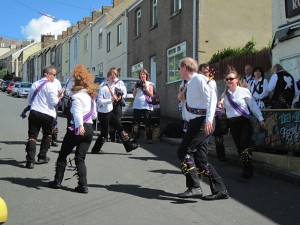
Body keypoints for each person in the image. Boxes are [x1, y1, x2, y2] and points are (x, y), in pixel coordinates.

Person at [176, 57, 229, 201]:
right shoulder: (189, 83)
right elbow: (195, 106)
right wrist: (183, 100)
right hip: (197, 122)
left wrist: (208, 120)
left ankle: (194, 187)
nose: (178, 71)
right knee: (200, 159)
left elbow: (212, 98)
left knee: (183, 150)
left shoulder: (199, 79)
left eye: (179, 68)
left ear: (185, 68)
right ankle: (220, 190)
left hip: (202, 122)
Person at [48, 64, 98, 193]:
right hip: (90, 130)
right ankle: (83, 185)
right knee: (80, 158)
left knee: (63, 155)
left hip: (78, 128)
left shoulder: (77, 97)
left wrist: (80, 125)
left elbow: (76, 113)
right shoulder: (90, 98)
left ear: (76, 83)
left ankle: (57, 181)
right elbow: (94, 115)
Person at [222, 66, 266, 179]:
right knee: (239, 147)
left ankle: (247, 169)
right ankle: (245, 166)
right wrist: (220, 107)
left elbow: (253, 106)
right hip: (233, 123)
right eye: (227, 79)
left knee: (244, 145)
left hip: (244, 121)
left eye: (231, 79)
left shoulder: (244, 91)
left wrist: (260, 118)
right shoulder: (224, 96)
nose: (229, 81)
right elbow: (223, 111)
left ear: (237, 79)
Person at [91, 70, 138, 154]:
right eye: (111, 77)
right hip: (103, 113)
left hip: (111, 111)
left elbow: (123, 92)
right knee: (104, 134)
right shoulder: (104, 88)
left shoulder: (114, 87)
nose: (113, 79)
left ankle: (129, 146)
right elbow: (99, 100)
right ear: (108, 78)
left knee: (120, 128)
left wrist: (120, 95)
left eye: (114, 77)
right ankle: (95, 149)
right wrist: (110, 100)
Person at [24, 65, 62, 169]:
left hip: (34, 112)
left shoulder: (35, 84)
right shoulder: (51, 86)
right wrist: (59, 97)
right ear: (47, 74)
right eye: (54, 75)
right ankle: (42, 156)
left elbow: (29, 100)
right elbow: (54, 102)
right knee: (47, 135)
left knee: (32, 137)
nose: (54, 77)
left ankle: (30, 161)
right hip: (47, 114)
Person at [198, 63, 227, 161]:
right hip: (202, 112)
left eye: (208, 72)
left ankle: (221, 155)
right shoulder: (197, 82)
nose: (207, 74)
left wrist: (218, 107)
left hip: (214, 110)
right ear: (199, 72)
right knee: (203, 135)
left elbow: (215, 96)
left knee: (218, 133)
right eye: (204, 72)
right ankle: (201, 156)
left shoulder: (213, 82)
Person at [131, 68, 155, 144]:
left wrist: (145, 88)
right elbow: (134, 95)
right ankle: (135, 137)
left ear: (146, 75)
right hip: (137, 105)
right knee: (136, 122)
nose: (142, 75)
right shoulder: (137, 83)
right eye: (141, 74)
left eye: (144, 74)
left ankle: (149, 138)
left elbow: (151, 94)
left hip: (146, 105)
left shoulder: (150, 84)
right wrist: (135, 87)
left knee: (147, 122)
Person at [107, 67, 127, 143]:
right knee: (110, 120)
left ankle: (119, 137)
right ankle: (112, 137)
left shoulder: (120, 82)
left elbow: (124, 92)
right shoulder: (107, 82)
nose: (114, 75)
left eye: (115, 73)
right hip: (109, 103)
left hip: (117, 103)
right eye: (113, 73)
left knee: (118, 120)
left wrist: (120, 96)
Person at [51, 77, 63, 147]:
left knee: (54, 121)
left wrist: (59, 98)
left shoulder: (57, 82)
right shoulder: (43, 82)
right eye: (53, 74)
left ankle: (54, 140)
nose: (54, 76)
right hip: (46, 104)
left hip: (54, 104)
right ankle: (47, 138)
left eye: (55, 75)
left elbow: (60, 92)